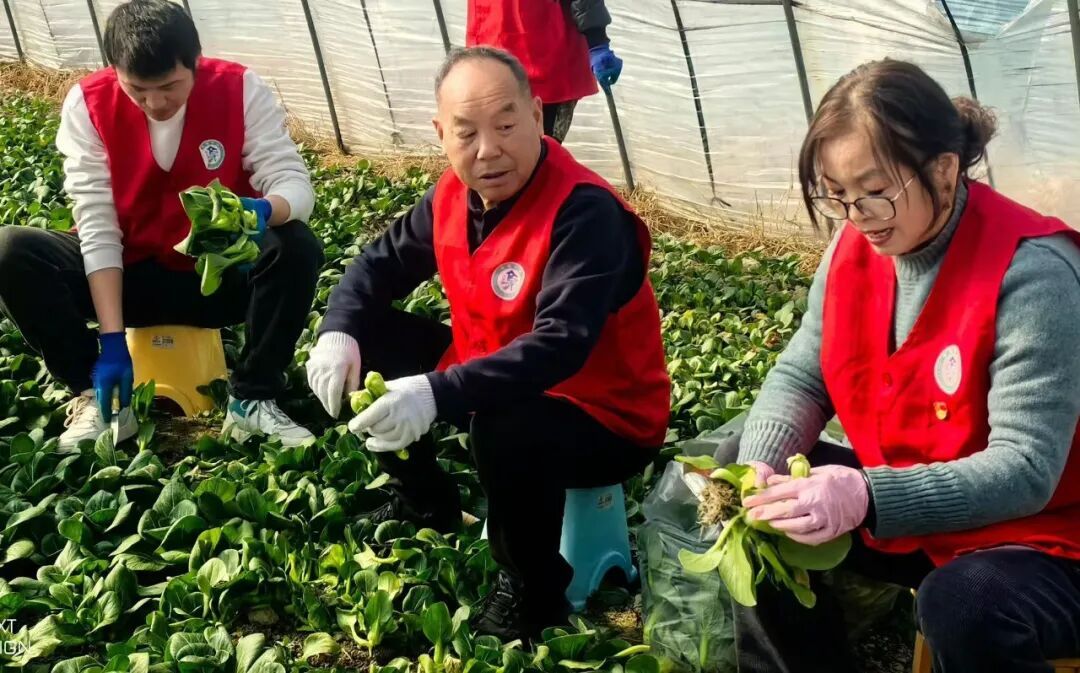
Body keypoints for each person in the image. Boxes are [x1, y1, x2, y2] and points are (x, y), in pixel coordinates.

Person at [721, 59, 1080, 673]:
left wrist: (867, 493)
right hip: (913, 509)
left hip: (1044, 538)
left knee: (964, 604)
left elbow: (1025, 470)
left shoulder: (1033, 274)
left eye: (875, 190)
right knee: (751, 498)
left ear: (942, 169)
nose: (858, 216)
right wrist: (762, 464)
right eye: (837, 195)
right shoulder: (852, 251)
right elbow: (803, 374)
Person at [305, 47, 669, 639]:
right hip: (486, 373)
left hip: (604, 413)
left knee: (506, 424)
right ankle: (425, 498)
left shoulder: (585, 213)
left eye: (505, 124)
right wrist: (338, 332)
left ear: (537, 111)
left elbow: (559, 347)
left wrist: (437, 393)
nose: (488, 149)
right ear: (441, 134)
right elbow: (378, 266)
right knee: (368, 340)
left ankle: (533, 589)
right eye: (466, 132)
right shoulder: (451, 195)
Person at [0, 0, 323, 449]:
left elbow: (293, 182)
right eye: (138, 90)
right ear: (116, 72)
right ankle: (96, 395)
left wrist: (266, 210)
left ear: (195, 63)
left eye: (170, 86)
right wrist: (111, 341)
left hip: (215, 281)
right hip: (127, 279)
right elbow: (96, 224)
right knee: (12, 249)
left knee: (295, 246)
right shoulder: (89, 104)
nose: (155, 103)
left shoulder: (240, 89)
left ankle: (252, 399)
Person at [466, 0, 623, 143]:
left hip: (547, 54)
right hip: (489, 52)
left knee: (540, 152)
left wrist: (596, 40)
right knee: (495, 149)